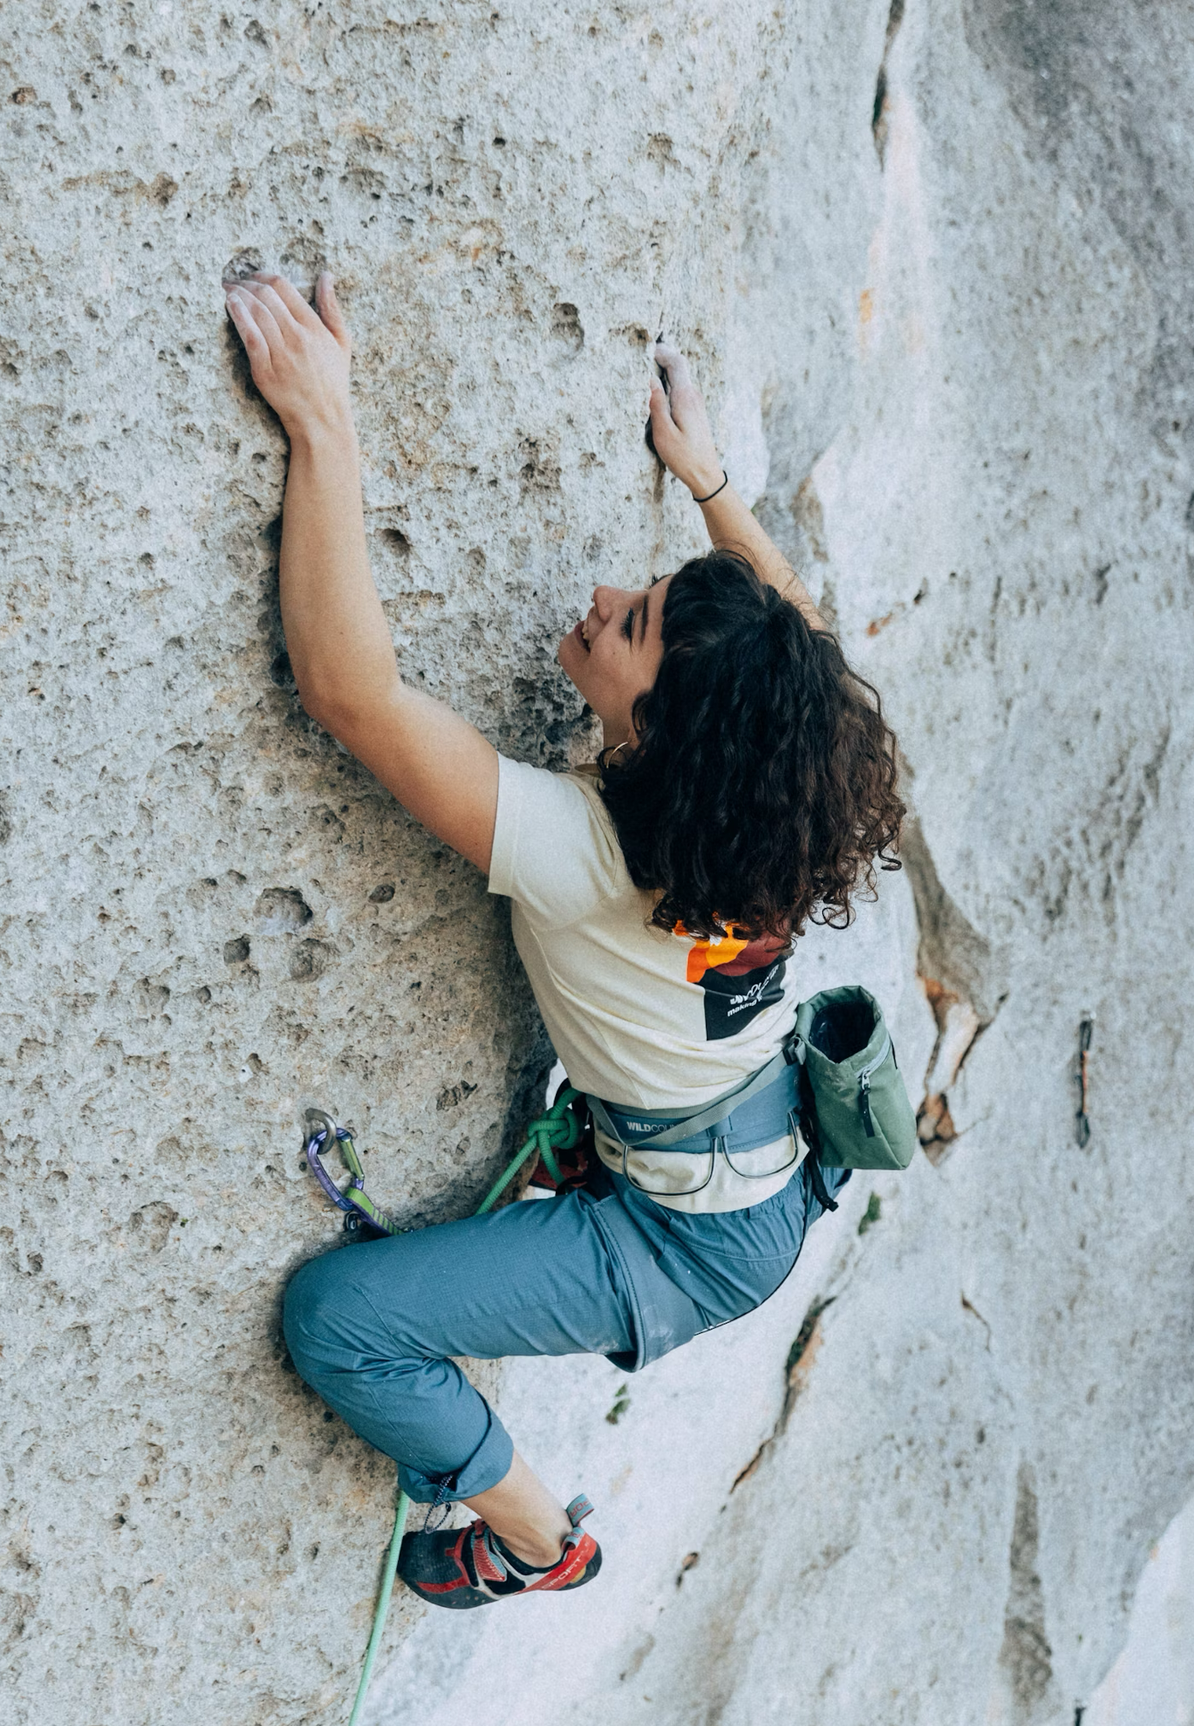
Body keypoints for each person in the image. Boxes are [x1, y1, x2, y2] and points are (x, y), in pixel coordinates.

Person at [223, 270, 904, 1610]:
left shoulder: (591, 854)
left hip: (685, 1244)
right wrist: (709, 486)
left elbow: (350, 693)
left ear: (663, 738)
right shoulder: (768, 813)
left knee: (339, 1323)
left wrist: (324, 423)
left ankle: (541, 1541)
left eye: (633, 625)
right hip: (751, 1158)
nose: (601, 597)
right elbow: (808, 655)